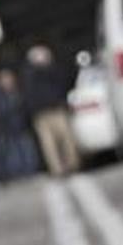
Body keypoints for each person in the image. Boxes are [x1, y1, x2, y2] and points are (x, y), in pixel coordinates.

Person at [22, 45, 80, 176]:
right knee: (49, 144)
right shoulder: (30, 74)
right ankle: (58, 169)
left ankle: (72, 164)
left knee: (67, 138)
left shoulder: (53, 69)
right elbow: (30, 96)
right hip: (42, 114)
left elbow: (63, 82)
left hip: (57, 109)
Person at [0, 69, 39, 180]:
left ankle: (31, 169)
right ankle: (20, 172)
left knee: (28, 148)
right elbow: (0, 111)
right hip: (9, 129)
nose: (8, 81)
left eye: (9, 78)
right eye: (5, 79)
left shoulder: (19, 90)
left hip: (23, 125)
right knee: (14, 152)